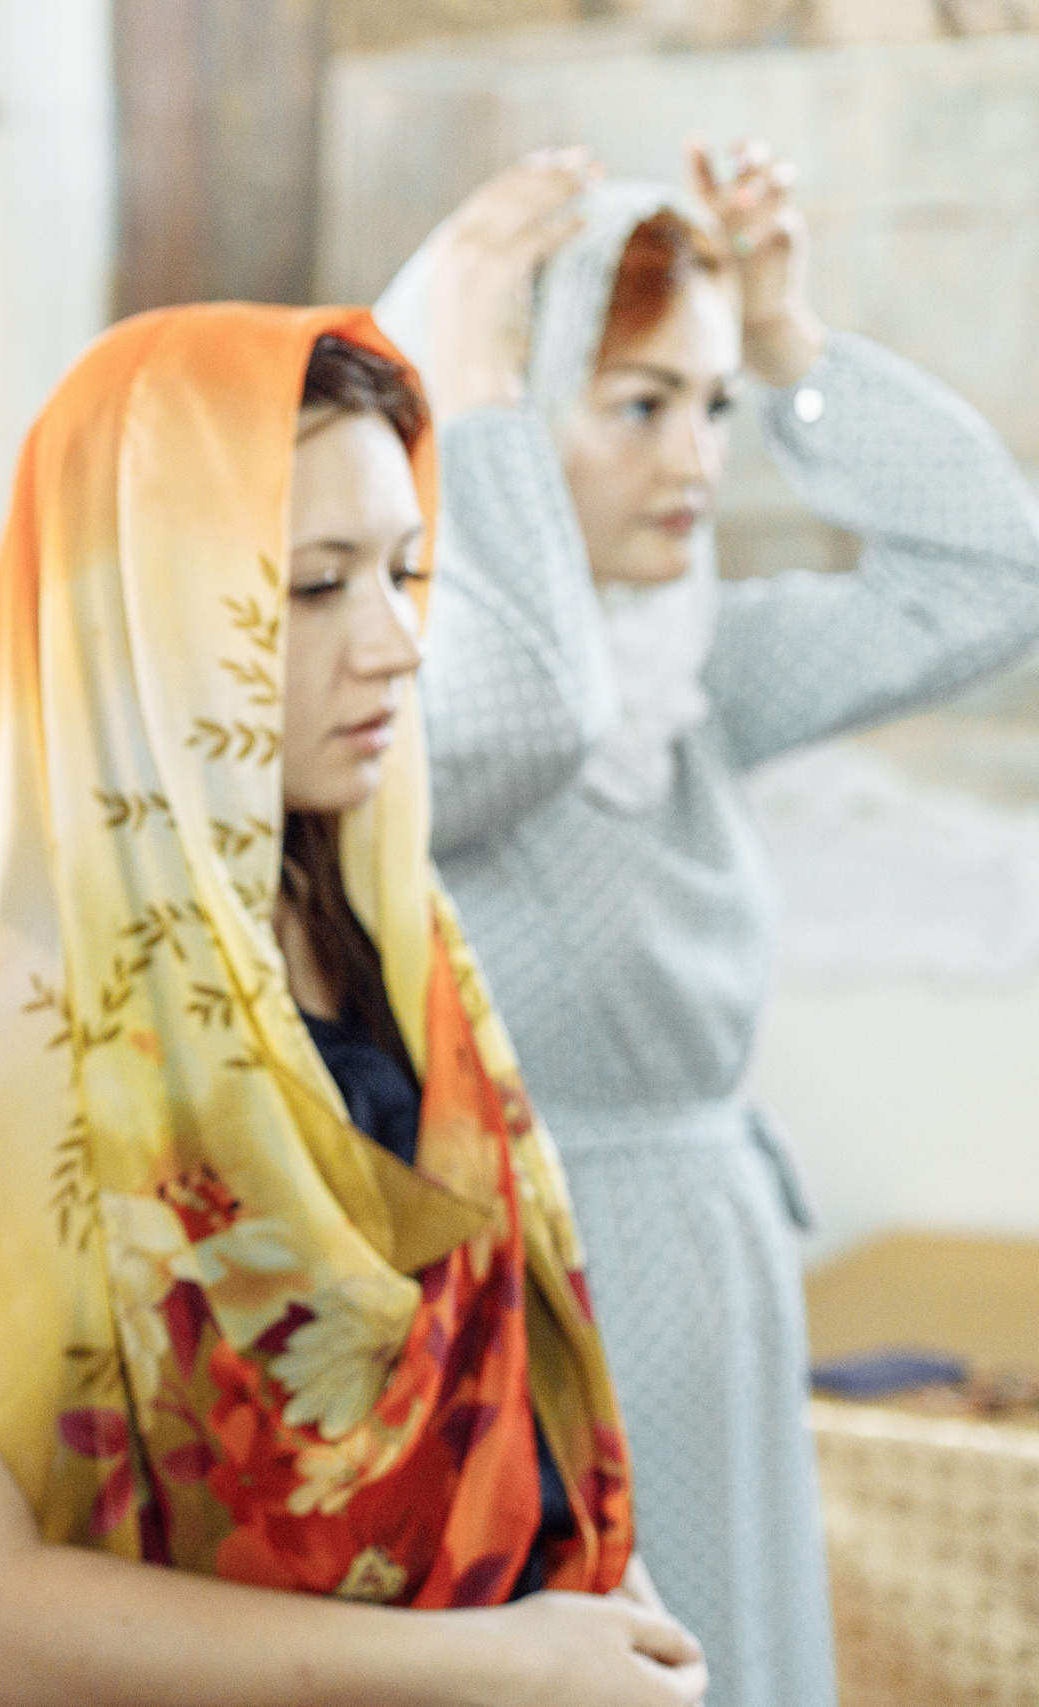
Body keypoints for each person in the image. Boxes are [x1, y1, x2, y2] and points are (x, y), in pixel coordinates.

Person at [0, 302, 709, 1707]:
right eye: (313, 588)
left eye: (405, 572)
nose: (397, 643)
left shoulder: (378, 920)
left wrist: (609, 1614)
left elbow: (507, 1366)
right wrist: (485, 1668)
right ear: (143, 606)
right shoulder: (5, 1017)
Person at [378, 141, 1039, 1707]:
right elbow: (527, 707)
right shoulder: (399, 708)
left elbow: (995, 582)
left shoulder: (686, 678)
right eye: (637, 405)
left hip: (719, 1290)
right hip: (521, 1315)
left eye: (714, 405)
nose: (697, 461)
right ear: (502, 413)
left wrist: (795, 348)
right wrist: (469, 403)